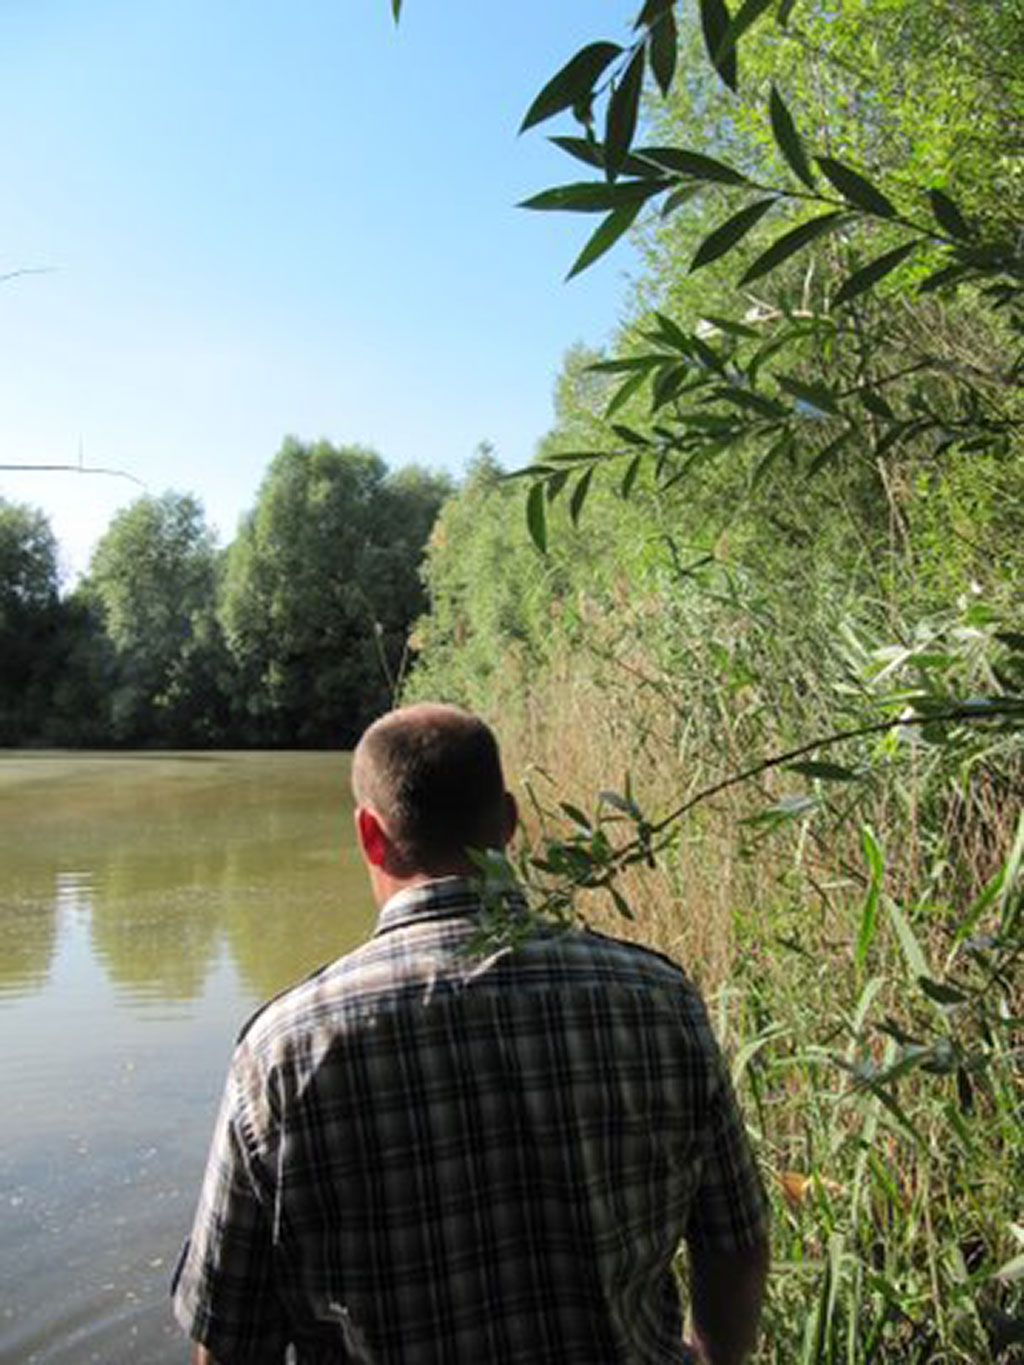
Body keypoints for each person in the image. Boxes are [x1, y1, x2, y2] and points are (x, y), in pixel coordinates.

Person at [172, 702, 769, 1364]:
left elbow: (230, 1333)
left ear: (369, 835)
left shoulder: (283, 1051)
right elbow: (736, 1242)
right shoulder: (659, 998)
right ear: (509, 823)